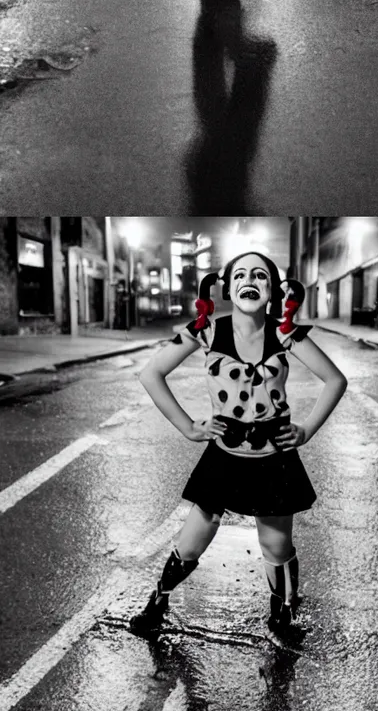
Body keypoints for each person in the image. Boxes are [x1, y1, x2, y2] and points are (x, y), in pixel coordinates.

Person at [130, 252, 348, 648]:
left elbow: (335, 380)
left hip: (274, 457)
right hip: (223, 456)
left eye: (261, 275)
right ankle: (157, 602)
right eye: (241, 275)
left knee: (276, 545)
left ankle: (282, 613)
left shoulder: (287, 334)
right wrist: (188, 426)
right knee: (193, 539)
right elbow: (151, 373)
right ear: (226, 288)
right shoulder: (207, 331)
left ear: (272, 290)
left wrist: (307, 430)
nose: (250, 281)